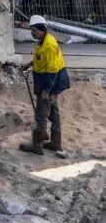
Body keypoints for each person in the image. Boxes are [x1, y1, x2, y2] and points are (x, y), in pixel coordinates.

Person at [19, 14, 70, 156]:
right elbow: (42, 59)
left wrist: (46, 91)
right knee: (53, 112)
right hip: (48, 80)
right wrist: (30, 64)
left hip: (51, 82)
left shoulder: (50, 44)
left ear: (41, 30)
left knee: (41, 114)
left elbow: (52, 70)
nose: (32, 33)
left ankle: (37, 146)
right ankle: (55, 143)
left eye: (34, 31)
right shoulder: (42, 41)